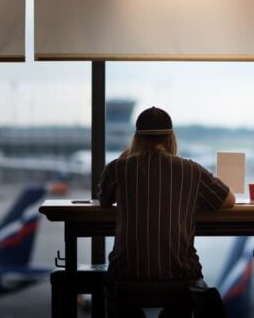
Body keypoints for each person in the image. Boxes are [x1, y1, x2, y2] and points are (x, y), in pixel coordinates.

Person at [98, 107, 235, 318]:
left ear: (136, 139)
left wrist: (128, 155)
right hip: (181, 276)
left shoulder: (117, 168)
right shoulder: (191, 170)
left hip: (125, 275)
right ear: (171, 138)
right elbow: (228, 200)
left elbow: (104, 200)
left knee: (116, 292)